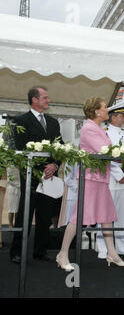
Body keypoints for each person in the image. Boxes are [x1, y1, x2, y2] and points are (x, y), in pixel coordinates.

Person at [56, 97, 124, 271]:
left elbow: (110, 151)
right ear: (97, 111)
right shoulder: (89, 128)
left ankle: (111, 254)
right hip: (90, 180)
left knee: (106, 217)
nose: (107, 110)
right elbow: (105, 151)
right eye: (105, 107)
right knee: (78, 217)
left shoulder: (98, 128)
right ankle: (62, 254)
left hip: (100, 179)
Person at [10, 86, 62, 264]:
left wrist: (55, 165)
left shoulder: (54, 122)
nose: (48, 100)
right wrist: (40, 167)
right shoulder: (20, 120)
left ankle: (40, 250)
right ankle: (17, 251)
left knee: (45, 214)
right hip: (31, 176)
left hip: (49, 176)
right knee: (25, 213)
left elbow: (60, 148)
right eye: (45, 97)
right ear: (34, 100)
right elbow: (19, 148)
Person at [96, 101, 124, 259]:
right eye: (122, 116)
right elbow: (106, 158)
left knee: (122, 214)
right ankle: (102, 247)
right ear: (113, 117)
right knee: (106, 214)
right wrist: (120, 176)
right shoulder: (104, 133)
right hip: (112, 180)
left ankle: (121, 245)